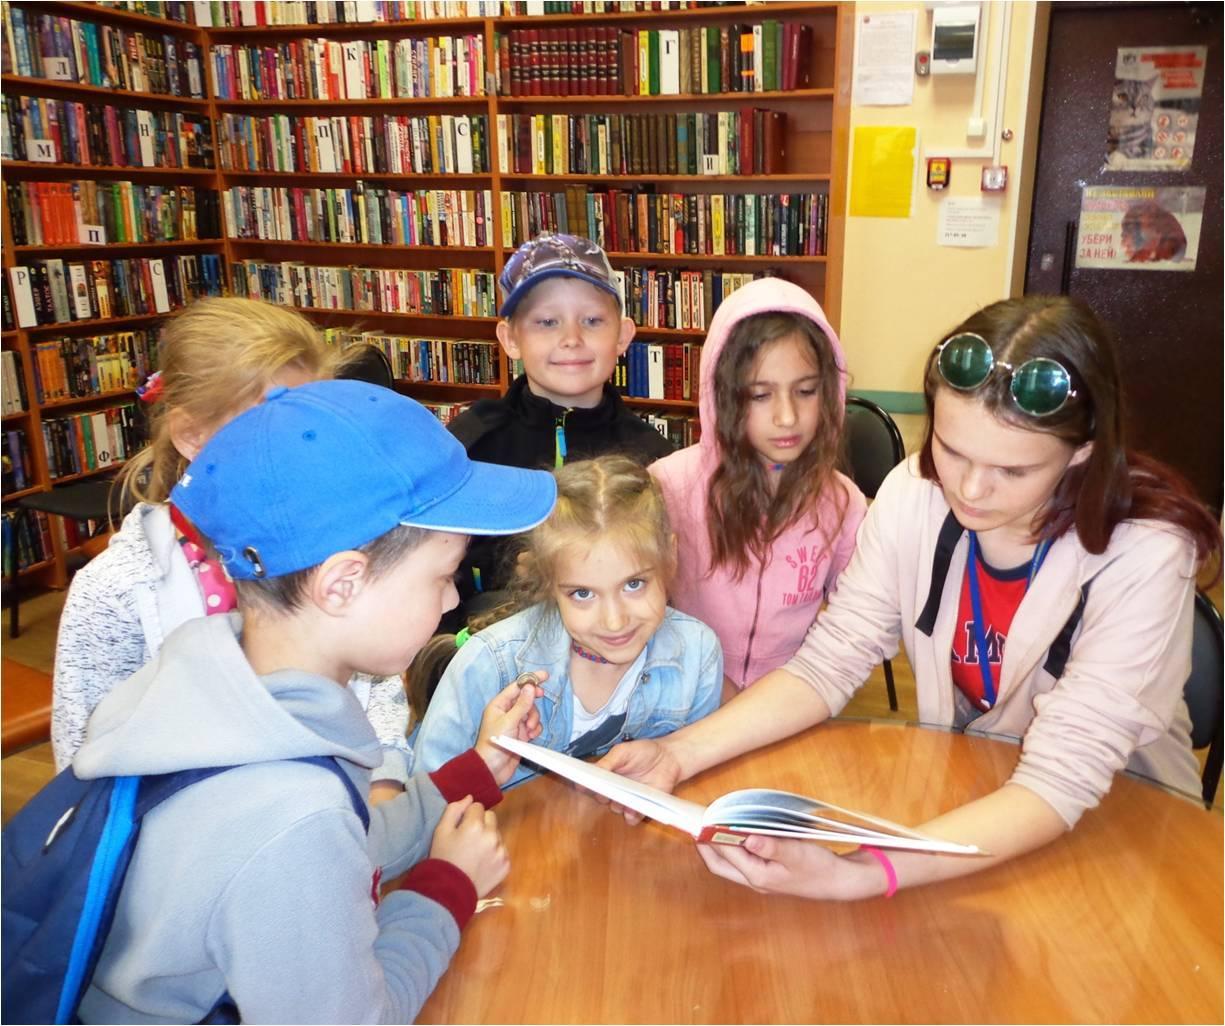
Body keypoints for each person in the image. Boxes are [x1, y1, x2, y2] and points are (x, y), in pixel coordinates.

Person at [600, 295, 1222, 900]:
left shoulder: (1144, 549)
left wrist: (861, 874)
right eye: (951, 450)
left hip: (1122, 824)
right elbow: (828, 665)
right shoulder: (913, 493)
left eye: (1013, 471)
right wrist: (675, 754)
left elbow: (1062, 778)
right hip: (974, 802)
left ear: (1083, 452)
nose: (969, 490)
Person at [71, 379, 558, 1022]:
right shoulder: (291, 811)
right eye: (443, 577)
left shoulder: (226, 680)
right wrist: (448, 885)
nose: (450, 600)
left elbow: (342, 843)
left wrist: (473, 771)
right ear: (342, 584)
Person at [50, 299, 412, 801]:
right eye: (269, 428)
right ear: (191, 435)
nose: (300, 452)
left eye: (310, 426)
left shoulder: (331, 540)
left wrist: (386, 780)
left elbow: (376, 683)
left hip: (341, 809)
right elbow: (81, 771)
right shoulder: (116, 591)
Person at [413, 454, 722, 787]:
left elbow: (695, 784)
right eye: (583, 594)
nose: (615, 621)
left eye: (634, 584)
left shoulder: (697, 652)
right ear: (549, 580)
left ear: (670, 555)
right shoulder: (490, 665)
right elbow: (426, 803)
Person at [443, 234, 674, 626]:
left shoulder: (652, 458)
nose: (571, 339)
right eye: (547, 322)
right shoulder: (470, 445)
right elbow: (435, 566)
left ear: (622, 336)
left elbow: (664, 573)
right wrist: (513, 571)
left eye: (592, 321)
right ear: (510, 339)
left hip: (615, 637)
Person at [648, 276, 867, 691]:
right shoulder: (669, 486)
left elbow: (856, 624)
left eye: (806, 391)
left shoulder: (843, 502)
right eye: (760, 395)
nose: (787, 417)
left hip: (790, 698)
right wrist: (712, 684)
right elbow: (638, 608)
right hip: (686, 691)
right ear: (724, 396)